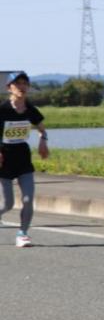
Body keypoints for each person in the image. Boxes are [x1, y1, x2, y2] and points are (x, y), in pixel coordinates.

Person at [0, 71, 49, 247]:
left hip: (22, 159)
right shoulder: (2, 109)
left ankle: (23, 233)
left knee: (28, 199)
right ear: (9, 88)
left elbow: (42, 128)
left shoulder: (31, 110)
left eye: (24, 84)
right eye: (17, 83)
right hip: (3, 161)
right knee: (7, 204)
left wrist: (43, 142)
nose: (22, 87)